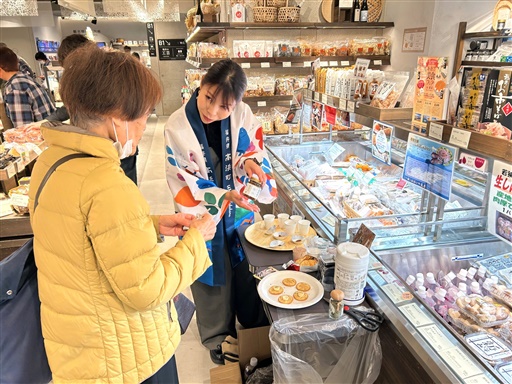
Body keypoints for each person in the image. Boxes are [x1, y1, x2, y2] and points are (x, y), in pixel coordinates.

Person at [28, 46, 217, 383]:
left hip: (77, 346)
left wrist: (150, 225)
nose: (145, 125)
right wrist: (197, 242)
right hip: (125, 358)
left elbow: (83, 241)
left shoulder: (49, 162)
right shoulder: (107, 184)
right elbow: (147, 289)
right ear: (117, 117)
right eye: (143, 114)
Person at [164, 59, 278, 364]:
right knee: (209, 263)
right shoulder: (177, 124)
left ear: (237, 103)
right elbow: (183, 176)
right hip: (204, 203)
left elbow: (250, 150)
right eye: (208, 97)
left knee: (245, 260)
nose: (212, 110)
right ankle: (217, 333)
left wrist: (250, 163)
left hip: (238, 203)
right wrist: (223, 194)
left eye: (224, 106)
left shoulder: (244, 114)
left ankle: (253, 323)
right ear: (200, 86)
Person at [0, 46, 56, 127]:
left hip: (42, 135)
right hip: (50, 131)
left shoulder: (15, 88)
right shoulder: (24, 79)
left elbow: (23, 128)